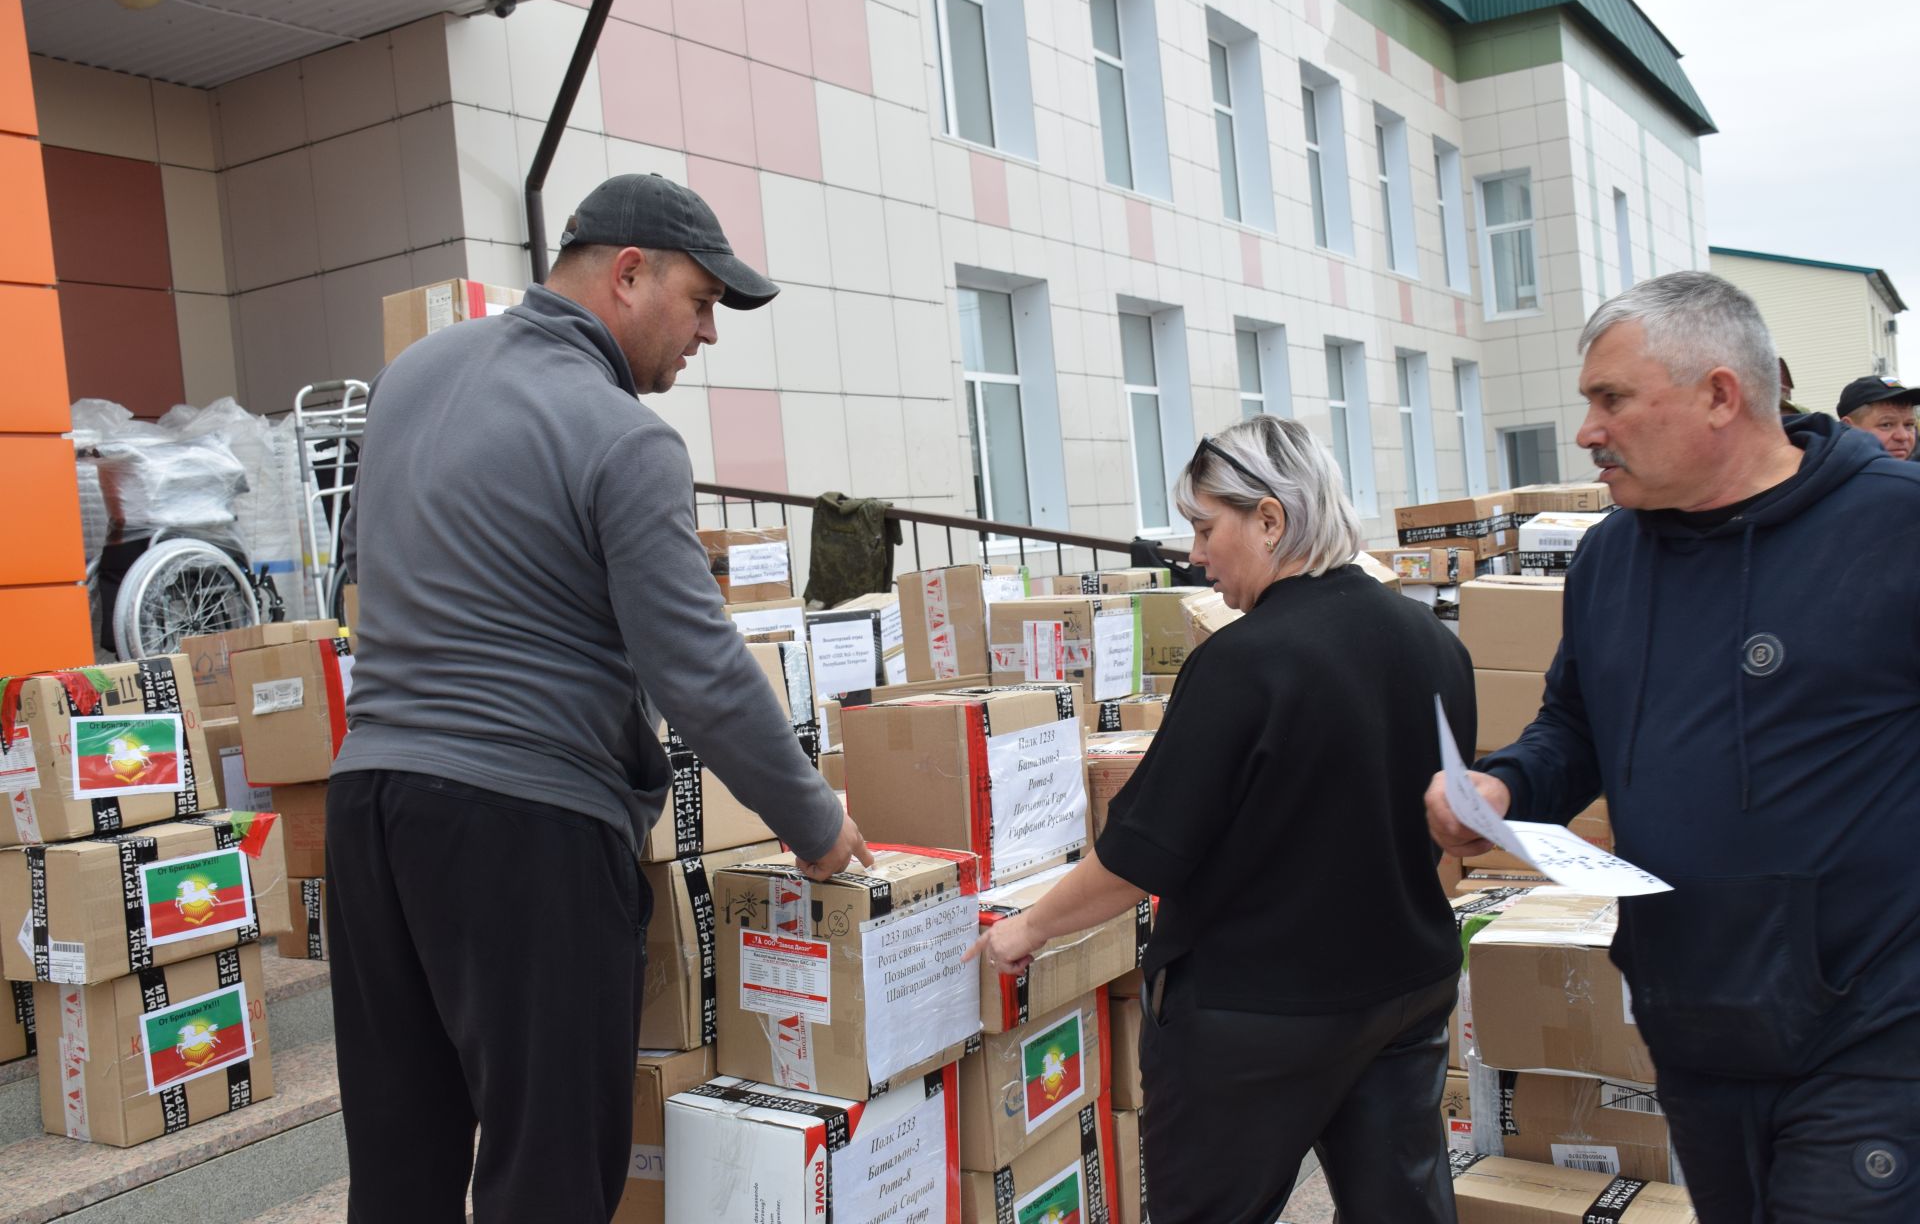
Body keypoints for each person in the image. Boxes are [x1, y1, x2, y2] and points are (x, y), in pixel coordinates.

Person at [327, 174, 871, 1222]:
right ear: (628, 274)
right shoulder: (625, 438)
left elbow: (370, 572)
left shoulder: (407, 378)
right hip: (523, 831)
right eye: (703, 302)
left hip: (372, 809)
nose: (707, 334)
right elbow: (699, 667)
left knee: (402, 1162)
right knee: (551, 1170)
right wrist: (816, 821)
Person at [1426, 271, 1920, 1223]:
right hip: (1694, 1023)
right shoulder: (1614, 555)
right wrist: (1502, 787)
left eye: (1610, 399)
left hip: (1876, 1030)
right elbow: (1575, 726)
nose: (1587, 431)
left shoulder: (1894, 526)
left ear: (1720, 396)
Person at [968, 417, 1475, 1224]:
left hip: (1259, 1018)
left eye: (1207, 528)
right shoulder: (1431, 641)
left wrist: (1026, 930)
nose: (1196, 554)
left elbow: (1141, 856)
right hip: (1405, 989)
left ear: (1270, 520)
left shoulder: (1245, 661)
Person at [1835, 374, 1920, 461]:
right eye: (1886, 425)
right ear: (1848, 428)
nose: (1903, 436)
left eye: (1909, 425)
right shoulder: (1828, 472)